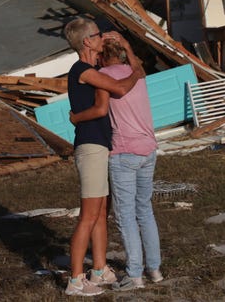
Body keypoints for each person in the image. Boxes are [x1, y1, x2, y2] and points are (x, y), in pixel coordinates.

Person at [70, 38, 163, 292]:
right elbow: (140, 68)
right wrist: (129, 49)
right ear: (123, 54)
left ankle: (134, 275)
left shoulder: (102, 75)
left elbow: (102, 107)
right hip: (148, 149)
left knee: (125, 216)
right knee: (145, 210)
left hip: (124, 152)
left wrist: (75, 117)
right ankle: (154, 269)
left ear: (101, 58)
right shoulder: (138, 74)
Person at [63, 17, 145, 296]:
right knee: (88, 215)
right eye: (98, 35)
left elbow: (101, 106)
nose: (102, 38)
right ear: (87, 41)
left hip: (99, 145)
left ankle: (98, 269)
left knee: (100, 213)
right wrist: (134, 73)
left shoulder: (92, 68)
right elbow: (120, 89)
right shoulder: (82, 70)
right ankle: (75, 280)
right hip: (90, 147)